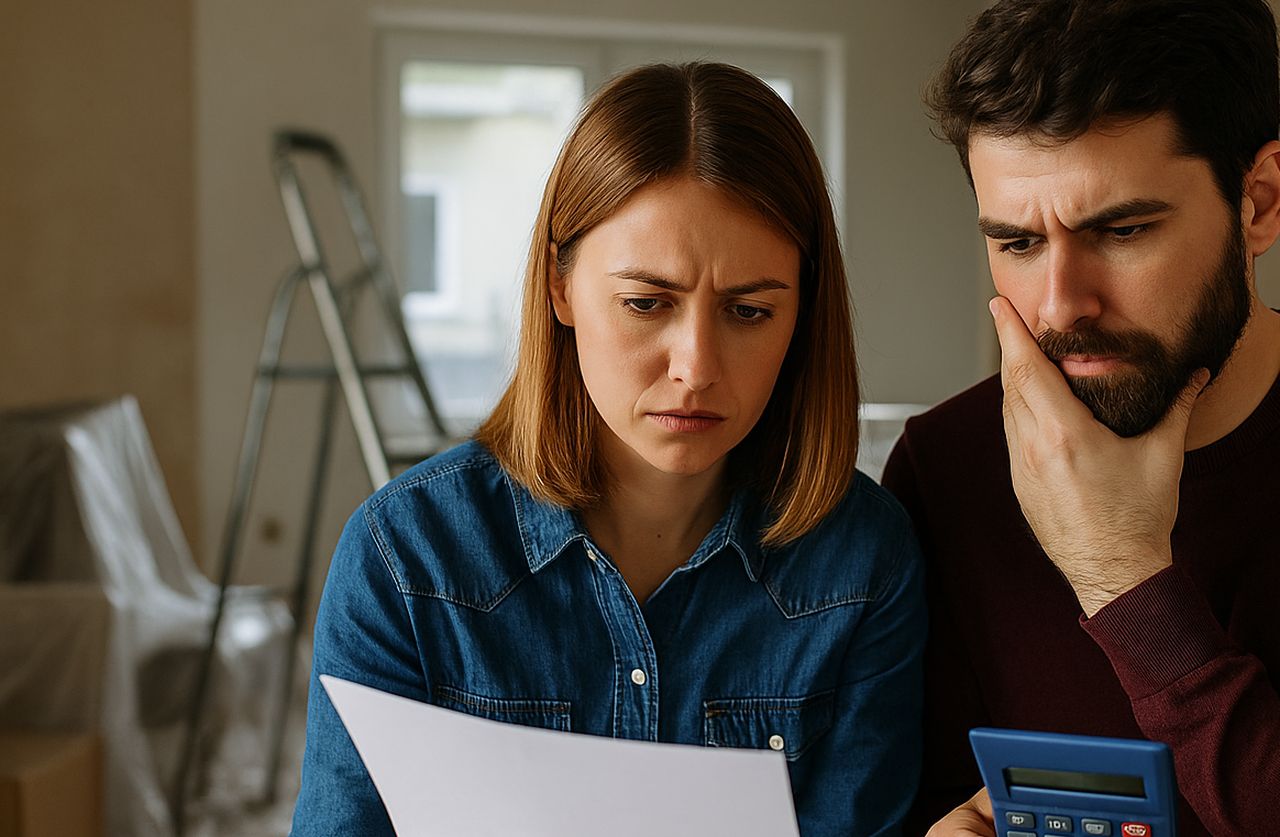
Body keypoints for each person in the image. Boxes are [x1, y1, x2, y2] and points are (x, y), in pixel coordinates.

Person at [291, 62, 925, 837]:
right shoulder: (405, 556)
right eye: (645, 303)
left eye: (749, 311)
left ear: (802, 314)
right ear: (560, 287)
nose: (694, 366)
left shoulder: (864, 563)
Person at [880, 0, 1280, 834]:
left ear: (1260, 202)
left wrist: (1124, 577)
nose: (1062, 304)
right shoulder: (944, 466)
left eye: (1123, 229)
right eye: (1018, 243)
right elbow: (930, 792)